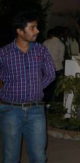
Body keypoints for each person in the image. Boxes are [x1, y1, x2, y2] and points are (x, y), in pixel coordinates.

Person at [0, 12, 55, 163]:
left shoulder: (41, 50)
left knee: (38, 156)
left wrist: (37, 87)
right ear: (19, 31)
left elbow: (51, 74)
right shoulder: (4, 53)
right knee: (10, 156)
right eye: (32, 28)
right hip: (11, 110)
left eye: (36, 27)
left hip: (36, 111)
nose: (37, 31)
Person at [43, 28, 66, 103]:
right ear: (61, 35)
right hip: (57, 68)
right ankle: (53, 105)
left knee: (46, 87)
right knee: (55, 89)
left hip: (45, 68)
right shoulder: (61, 44)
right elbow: (61, 58)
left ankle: (46, 103)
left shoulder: (45, 42)